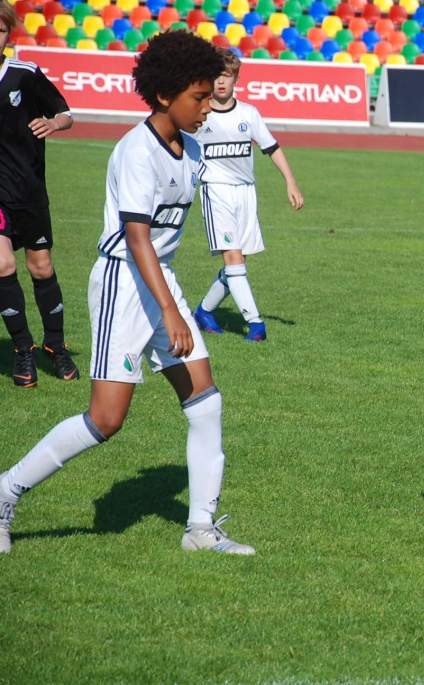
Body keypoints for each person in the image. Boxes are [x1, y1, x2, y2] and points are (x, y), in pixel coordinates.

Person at [0, 31, 254, 555]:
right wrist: (170, 311)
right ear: (165, 95)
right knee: (106, 420)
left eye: (210, 97)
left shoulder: (195, 147)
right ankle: (6, 492)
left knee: (205, 403)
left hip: (161, 279)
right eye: (199, 97)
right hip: (124, 282)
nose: (208, 107)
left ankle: (201, 530)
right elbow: (137, 237)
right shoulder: (138, 151)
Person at [192, 48, 303, 342]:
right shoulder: (198, 114)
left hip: (246, 193)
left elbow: (272, 148)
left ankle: (203, 311)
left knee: (238, 263)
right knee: (233, 257)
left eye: (227, 76)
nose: (221, 82)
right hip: (216, 192)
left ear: (236, 79)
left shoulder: (248, 114)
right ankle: (256, 325)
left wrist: (290, 182)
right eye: (216, 76)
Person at [0, 0, 78, 387]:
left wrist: (54, 123)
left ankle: (56, 346)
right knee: (1, 266)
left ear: (8, 35)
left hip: (29, 189)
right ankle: (23, 350)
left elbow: (66, 113)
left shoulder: (24, 74)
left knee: (41, 268)